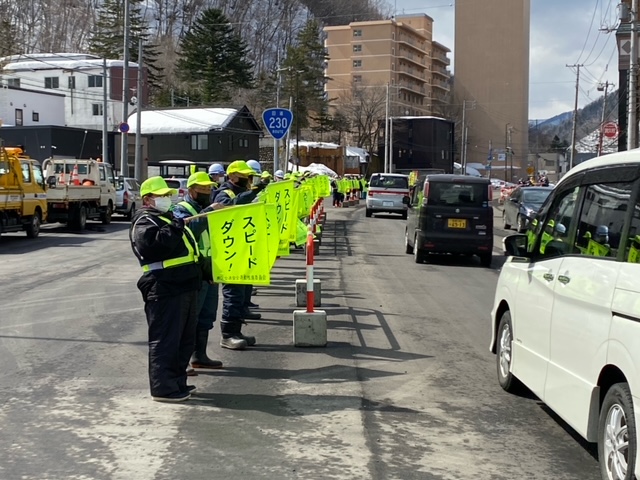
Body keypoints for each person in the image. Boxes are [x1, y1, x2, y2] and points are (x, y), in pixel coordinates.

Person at [129, 176, 201, 403]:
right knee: (166, 340)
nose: (167, 199)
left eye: (168, 195)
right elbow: (152, 247)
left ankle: (177, 382)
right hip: (164, 285)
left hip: (183, 283)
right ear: (148, 199)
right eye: (161, 196)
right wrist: (174, 228)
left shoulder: (165, 218)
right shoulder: (144, 221)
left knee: (183, 340)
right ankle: (164, 388)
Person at [210, 160, 269, 350]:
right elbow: (232, 207)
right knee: (232, 295)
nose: (249, 179)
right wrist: (254, 191)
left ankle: (236, 330)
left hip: (241, 248)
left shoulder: (237, 191)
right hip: (229, 251)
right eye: (246, 176)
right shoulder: (224, 193)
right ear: (233, 176)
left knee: (241, 293)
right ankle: (228, 334)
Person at [172, 171, 226, 371]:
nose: (207, 192)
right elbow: (187, 230)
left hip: (210, 271)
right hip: (193, 272)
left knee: (206, 315)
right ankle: (181, 361)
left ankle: (199, 355)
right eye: (202, 189)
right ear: (191, 190)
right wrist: (210, 211)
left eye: (209, 189)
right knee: (188, 318)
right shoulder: (181, 209)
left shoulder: (208, 207)